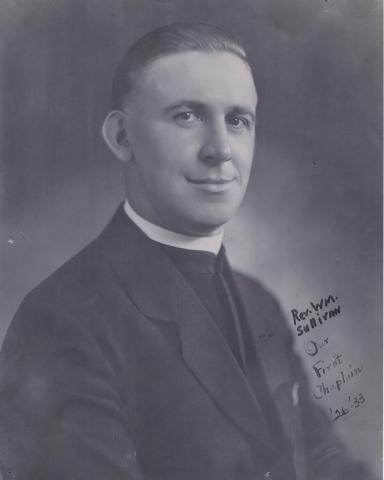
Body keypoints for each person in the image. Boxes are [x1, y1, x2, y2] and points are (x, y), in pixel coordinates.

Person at [0, 22, 373, 480]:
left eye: (238, 120)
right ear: (122, 137)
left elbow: (328, 467)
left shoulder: (261, 306)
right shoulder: (62, 320)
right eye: (187, 116)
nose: (220, 150)